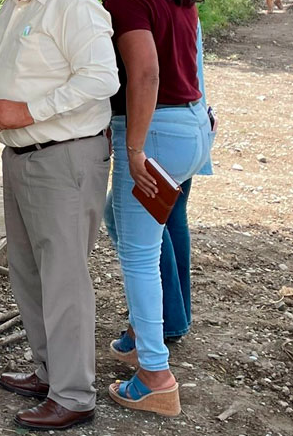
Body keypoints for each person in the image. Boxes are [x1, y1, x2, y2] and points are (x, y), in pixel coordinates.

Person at [0, 0, 118, 430]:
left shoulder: (73, 5)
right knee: (28, 272)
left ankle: (74, 395)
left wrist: (28, 114)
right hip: (21, 155)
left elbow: (102, 79)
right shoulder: (17, 3)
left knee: (63, 278)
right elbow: (3, 77)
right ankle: (50, 372)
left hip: (65, 157)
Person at [90, 0, 212, 418]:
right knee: (123, 223)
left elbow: (144, 74)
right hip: (190, 124)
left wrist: (134, 147)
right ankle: (144, 335)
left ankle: (156, 376)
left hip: (155, 130)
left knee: (139, 254)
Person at [107, 22, 215, 359]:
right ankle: (171, 319)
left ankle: (156, 336)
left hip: (155, 122)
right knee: (169, 216)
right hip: (190, 116)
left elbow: (146, 75)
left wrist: (134, 147)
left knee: (142, 238)